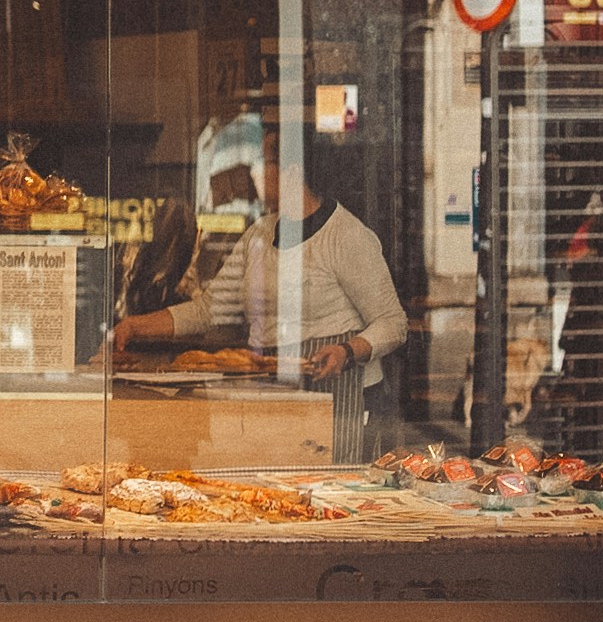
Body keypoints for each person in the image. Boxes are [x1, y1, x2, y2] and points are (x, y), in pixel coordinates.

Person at [113, 138, 410, 452]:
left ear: (291, 172)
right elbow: (209, 309)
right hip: (275, 391)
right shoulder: (259, 233)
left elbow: (393, 323)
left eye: (263, 163)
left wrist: (346, 351)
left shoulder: (347, 236)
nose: (254, 173)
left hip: (342, 396)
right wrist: (134, 326)